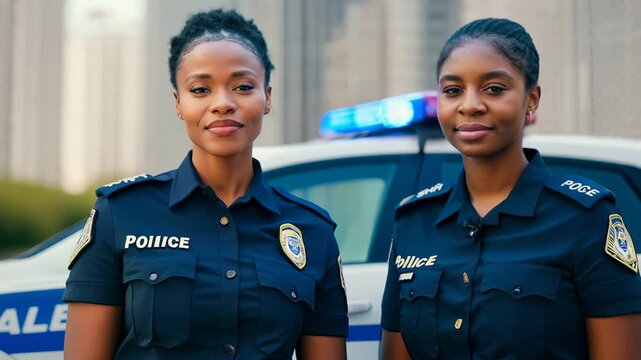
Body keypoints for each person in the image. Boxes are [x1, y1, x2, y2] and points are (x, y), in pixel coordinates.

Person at [63, 9, 348, 360]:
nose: (223, 104)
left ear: (267, 97)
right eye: (200, 89)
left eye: (243, 87)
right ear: (179, 103)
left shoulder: (312, 232)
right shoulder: (121, 213)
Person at [380, 17, 641, 360]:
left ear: (531, 99)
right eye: (453, 90)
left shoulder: (584, 218)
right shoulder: (414, 221)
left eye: (494, 88)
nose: (470, 104)